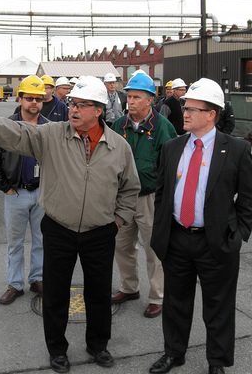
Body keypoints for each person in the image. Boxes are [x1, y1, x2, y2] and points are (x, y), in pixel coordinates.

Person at [0, 76, 140, 373]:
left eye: (82, 105)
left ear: (99, 110)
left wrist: (118, 221)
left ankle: (98, 345)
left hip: (101, 232)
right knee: (56, 293)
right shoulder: (51, 135)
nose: (74, 109)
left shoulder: (119, 146)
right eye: (72, 103)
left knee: (99, 293)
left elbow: (130, 189)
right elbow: (17, 133)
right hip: (59, 229)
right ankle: (57, 350)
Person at [149, 78, 252, 374]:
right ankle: (174, 353)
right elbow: (162, 192)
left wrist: (237, 235)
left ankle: (217, 362)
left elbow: (248, 198)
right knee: (175, 303)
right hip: (177, 238)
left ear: (211, 115)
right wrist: (162, 230)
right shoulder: (172, 147)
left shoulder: (235, 150)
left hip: (216, 241)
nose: (185, 113)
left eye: (193, 109)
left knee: (219, 306)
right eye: (185, 107)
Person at [110, 72, 177, 319]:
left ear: (150, 100)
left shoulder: (163, 128)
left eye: (137, 97)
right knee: (122, 245)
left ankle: (158, 297)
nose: (131, 101)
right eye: (129, 96)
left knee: (154, 249)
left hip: (151, 200)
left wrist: (166, 201)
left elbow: (172, 168)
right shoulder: (118, 126)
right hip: (122, 200)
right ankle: (129, 288)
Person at [0, 76, 47, 305]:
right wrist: (6, 188)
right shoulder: (6, 127)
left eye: (38, 99)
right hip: (16, 193)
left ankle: (38, 279)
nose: (34, 102)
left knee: (41, 240)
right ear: (20, 99)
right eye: (29, 98)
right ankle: (15, 284)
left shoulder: (49, 127)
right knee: (15, 242)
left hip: (42, 193)